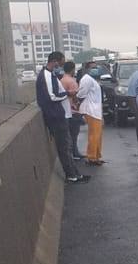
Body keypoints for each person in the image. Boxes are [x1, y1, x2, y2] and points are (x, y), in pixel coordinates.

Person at [34, 51, 90, 184]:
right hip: (56, 117)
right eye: (61, 63)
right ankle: (71, 175)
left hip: (61, 115)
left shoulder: (52, 74)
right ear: (55, 61)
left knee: (67, 146)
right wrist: (68, 93)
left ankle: (75, 173)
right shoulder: (46, 76)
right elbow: (51, 96)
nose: (61, 66)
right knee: (64, 147)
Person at [76, 60, 106, 165]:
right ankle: (91, 157)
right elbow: (81, 94)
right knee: (94, 135)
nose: (95, 69)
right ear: (87, 69)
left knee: (98, 135)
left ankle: (96, 156)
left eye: (96, 67)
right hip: (91, 110)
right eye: (93, 68)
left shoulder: (93, 79)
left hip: (96, 111)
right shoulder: (86, 79)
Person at [60, 61, 84, 160]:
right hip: (73, 111)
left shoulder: (62, 80)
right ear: (72, 69)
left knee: (69, 134)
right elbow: (76, 96)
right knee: (74, 134)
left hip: (66, 110)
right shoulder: (71, 81)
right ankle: (75, 153)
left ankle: (73, 152)